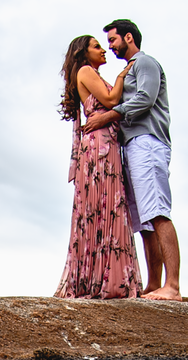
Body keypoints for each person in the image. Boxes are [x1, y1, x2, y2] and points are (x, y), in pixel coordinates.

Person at [83, 20, 182, 301]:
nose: (110, 47)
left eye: (113, 40)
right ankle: (154, 284)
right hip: (132, 146)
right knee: (144, 222)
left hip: (148, 141)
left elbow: (145, 99)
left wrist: (107, 117)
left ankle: (172, 286)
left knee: (157, 212)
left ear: (129, 37)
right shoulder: (128, 71)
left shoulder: (145, 63)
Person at [53, 35, 143, 299]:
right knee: (104, 207)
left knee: (108, 207)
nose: (103, 50)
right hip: (99, 146)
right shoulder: (85, 71)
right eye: (96, 46)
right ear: (83, 52)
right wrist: (122, 75)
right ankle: (102, 279)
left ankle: (106, 277)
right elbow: (112, 100)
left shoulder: (90, 73)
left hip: (106, 142)